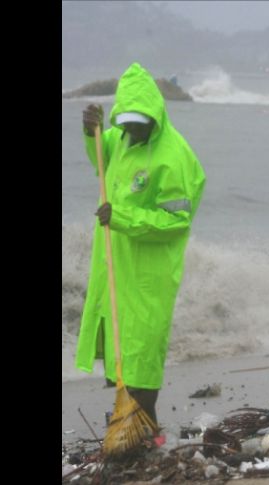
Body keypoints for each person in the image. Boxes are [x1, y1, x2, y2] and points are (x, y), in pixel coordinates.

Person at [75, 63, 206, 426]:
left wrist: (123, 218)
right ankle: (129, 419)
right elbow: (103, 163)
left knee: (144, 346)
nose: (133, 129)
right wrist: (92, 134)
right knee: (121, 344)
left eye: (139, 122)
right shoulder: (123, 137)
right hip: (117, 262)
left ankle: (143, 420)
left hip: (150, 269)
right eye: (127, 121)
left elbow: (176, 221)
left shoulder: (172, 157)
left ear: (155, 114)